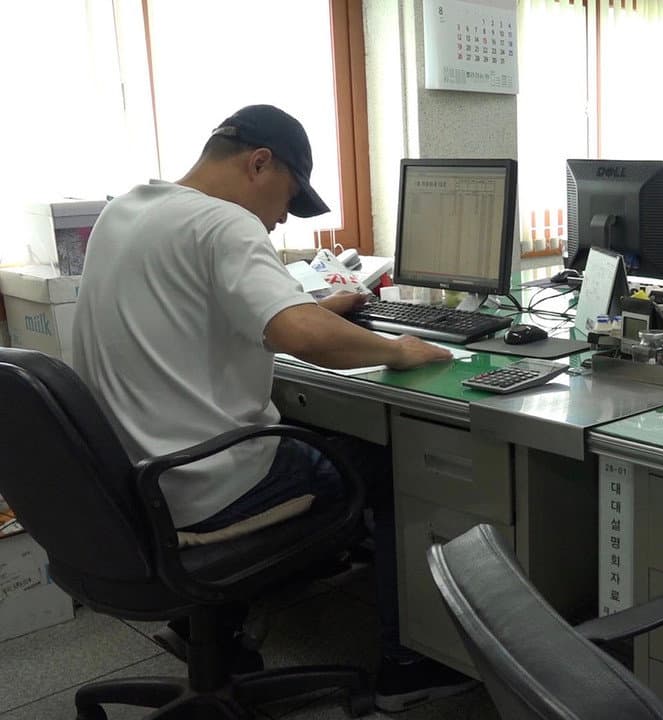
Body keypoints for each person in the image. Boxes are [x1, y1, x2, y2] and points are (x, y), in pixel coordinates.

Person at [71, 105, 474, 712]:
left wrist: (314, 310)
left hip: (130, 483)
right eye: (288, 197)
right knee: (394, 461)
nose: (283, 217)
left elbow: (209, 314)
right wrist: (399, 349)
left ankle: (209, 630)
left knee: (309, 428)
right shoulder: (225, 224)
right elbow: (302, 339)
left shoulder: (125, 211)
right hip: (204, 490)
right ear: (259, 163)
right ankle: (407, 665)